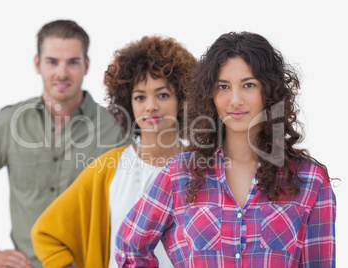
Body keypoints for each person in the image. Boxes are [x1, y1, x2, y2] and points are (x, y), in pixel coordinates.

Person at [115, 32, 336, 267]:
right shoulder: (179, 174)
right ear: (210, 95)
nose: (235, 100)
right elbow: (130, 247)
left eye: (248, 85)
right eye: (223, 87)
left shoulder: (310, 180)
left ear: (270, 91)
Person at [0, 20, 124, 268]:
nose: (62, 73)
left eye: (72, 62)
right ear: (37, 64)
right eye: (52, 61)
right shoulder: (10, 122)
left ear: (86, 65)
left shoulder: (116, 127)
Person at [31, 35, 197, 268]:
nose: (151, 106)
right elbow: (46, 232)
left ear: (182, 98)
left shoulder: (205, 167)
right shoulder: (109, 168)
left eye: (163, 94)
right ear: (128, 103)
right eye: (140, 97)